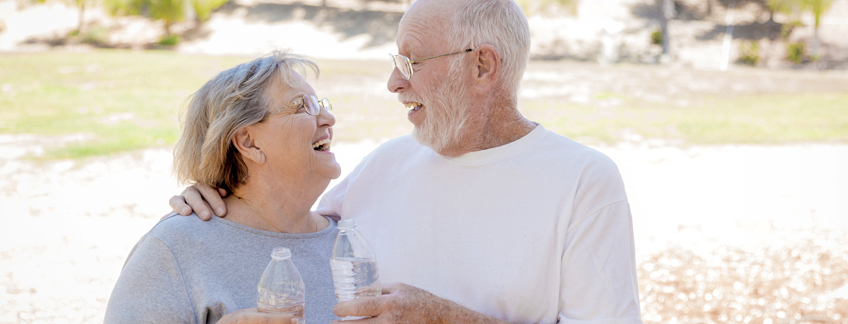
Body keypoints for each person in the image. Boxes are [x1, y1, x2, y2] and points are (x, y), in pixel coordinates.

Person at [172, 0, 643, 323]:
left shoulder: (583, 181)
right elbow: (282, 220)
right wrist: (216, 192)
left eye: (413, 62)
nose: (394, 83)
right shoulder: (385, 164)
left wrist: (441, 317)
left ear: (482, 66)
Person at [105, 51, 342, 324]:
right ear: (248, 142)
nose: (328, 118)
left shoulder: (351, 234)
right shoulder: (174, 249)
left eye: (321, 104)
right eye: (302, 106)